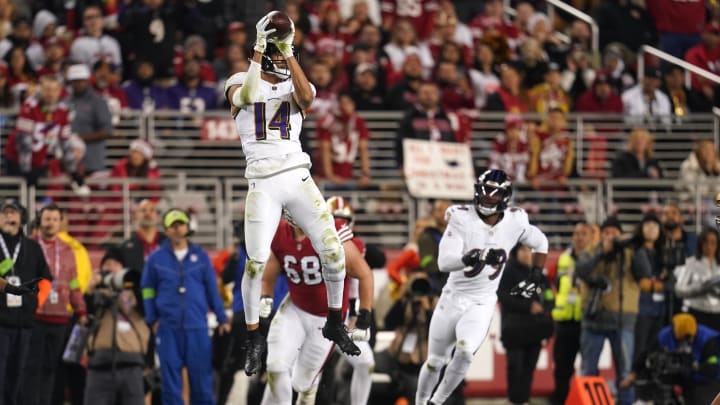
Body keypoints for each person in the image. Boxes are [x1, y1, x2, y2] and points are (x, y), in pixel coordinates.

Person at [223, 10, 359, 375]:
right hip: (263, 181)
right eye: (280, 52)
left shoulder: (292, 79)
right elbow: (249, 94)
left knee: (332, 250)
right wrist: (258, 47)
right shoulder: (239, 79)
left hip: (298, 175)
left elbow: (308, 97)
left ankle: (334, 318)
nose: (286, 59)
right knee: (254, 262)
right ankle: (253, 336)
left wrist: (287, 49)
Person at [415, 169, 550, 405]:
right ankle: (421, 402)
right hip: (452, 297)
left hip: (482, 301)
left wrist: (536, 274)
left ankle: (436, 402)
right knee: (435, 360)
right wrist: (473, 257)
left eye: (494, 193)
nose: (487, 197)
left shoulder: (515, 221)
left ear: (505, 197)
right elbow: (444, 262)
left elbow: (541, 242)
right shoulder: (460, 217)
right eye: (484, 190)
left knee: (465, 352)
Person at [258, 207, 374, 404]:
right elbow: (270, 270)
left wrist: (364, 315)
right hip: (295, 308)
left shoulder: (332, 232)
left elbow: (364, 274)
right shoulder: (280, 233)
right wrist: (265, 298)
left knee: (302, 384)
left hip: (327, 319)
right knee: (276, 367)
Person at [140, 208, 231, 405]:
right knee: (170, 381)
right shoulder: (156, 258)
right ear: (166, 230)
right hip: (167, 327)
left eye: (180, 224)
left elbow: (211, 289)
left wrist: (222, 317)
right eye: (172, 226)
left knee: (201, 380)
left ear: (187, 227)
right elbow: (147, 289)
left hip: (196, 326)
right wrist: (151, 318)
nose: (177, 229)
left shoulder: (201, 256)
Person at [575, 216, 648, 405]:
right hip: (594, 319)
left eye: (614, 233)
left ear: (620, 234)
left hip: (623, 320)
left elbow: (645, 273)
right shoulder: (592, 249)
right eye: (606, 233)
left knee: (625, 373)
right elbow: (581, 270)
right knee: (588, 369)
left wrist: (635, 247)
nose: (610, 236)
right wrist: (601, 252)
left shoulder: (631, 252)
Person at [24, 204, 87, 405]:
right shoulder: (29, 245)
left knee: (52, 367)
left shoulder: (68, 250)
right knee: (32, 367)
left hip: (60, 317)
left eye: (54, 219)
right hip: (34, 316)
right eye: (46, 219)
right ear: (39, 221)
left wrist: (81, 309)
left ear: (60, 222)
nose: (50, 223)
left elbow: (74, 282)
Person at [0, 200, 52, 405]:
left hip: (25, 324)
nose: (8, 217)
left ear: (21, 219)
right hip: (0, 324)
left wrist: (35, 304)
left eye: (13, 214)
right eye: (4, 213)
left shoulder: (32, 247)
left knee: (19, 376)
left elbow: (46, 279)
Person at [84, 247, 149, 405]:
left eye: (115, 264)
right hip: (100, 362)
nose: (111, 267)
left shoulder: (135, 292)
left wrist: (122, 290)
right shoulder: (96, 292)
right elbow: (86, 311)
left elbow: (142, 310)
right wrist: (92, 289)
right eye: (107, 264)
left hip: (132, 362)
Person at [497, 244, 554, 405]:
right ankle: (515, 399)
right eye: (523, 250)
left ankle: (524, 399)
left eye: (530, 250)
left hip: (534, 329)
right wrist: (528, 306)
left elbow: (549, 294)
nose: (527, 254)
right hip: (514, 329)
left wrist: (547, 306)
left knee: (529, 367)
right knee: (515, 366)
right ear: (516, 252)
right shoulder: (508, 271)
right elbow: (503, 296)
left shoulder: (538, 274)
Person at [621, 313, 720, 404]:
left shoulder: (708, 339)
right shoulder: (665, 335)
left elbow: (714, 369)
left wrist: (693, 367)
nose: (684, 343)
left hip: (704, 380)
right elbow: (646, 353)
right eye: (681, 340)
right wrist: (633, 373)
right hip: (677, 377)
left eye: (688, 339)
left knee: (700, 395)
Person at [550, 222, 594, 405]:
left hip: (587, 321)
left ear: (591, 237)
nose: (579, 237)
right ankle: (561, 400)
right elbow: (556, 283)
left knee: (588, 367)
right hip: (566, 321)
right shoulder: (563, 259)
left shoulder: (595, 258)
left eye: (583, 233)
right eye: (576, 233)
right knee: (562, 368)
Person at [674, 227, 720, 332]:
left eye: (713, 242)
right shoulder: (690, 263)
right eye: (706, 242)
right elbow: (679, 290)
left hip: (718, 314)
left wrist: (713, 289)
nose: (709, 246)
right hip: (697, 313)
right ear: (700, 243)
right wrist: (701, 288)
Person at [117, 199, 165, 274]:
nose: (147, 213)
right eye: (143, 210)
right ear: (135, 216)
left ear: (158, 217)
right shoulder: (125, 248)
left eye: (152, 210)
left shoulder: (169, 243)